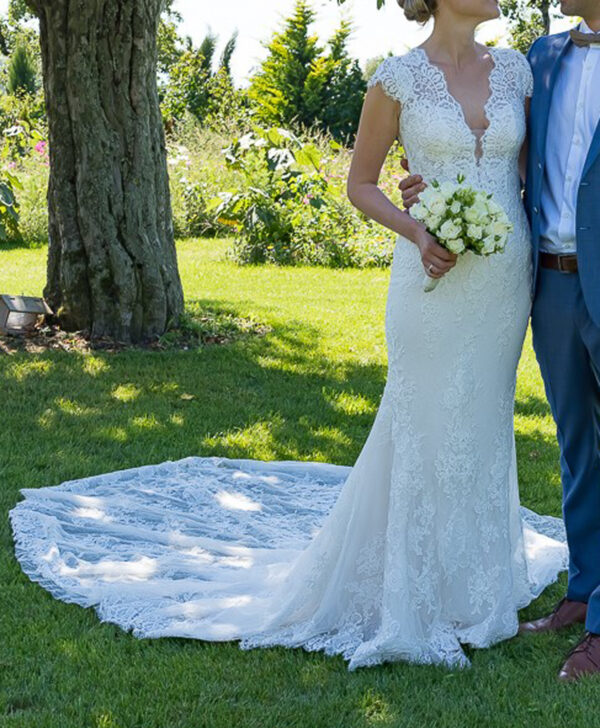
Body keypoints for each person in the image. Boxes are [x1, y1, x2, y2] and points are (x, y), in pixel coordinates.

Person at [8, 0, 569, 672]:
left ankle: (478, 585)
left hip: (501, 280)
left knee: (481, 421)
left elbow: (527, 176)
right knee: (420, 420)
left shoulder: (517, 73)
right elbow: (359, 184)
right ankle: (409, 595)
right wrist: (417, 225)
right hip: (428, 279)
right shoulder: (395, 79)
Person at [399, 0, 600, 681]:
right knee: (576, 444)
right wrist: (428, 190)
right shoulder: (541, 59)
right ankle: (582, 589)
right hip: (547, 280)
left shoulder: (523, 63)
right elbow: (515, 160)